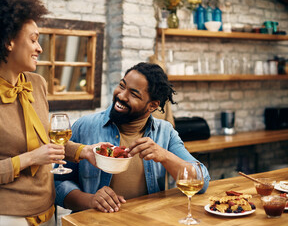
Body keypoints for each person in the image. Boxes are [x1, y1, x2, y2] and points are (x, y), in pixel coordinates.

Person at [0, 0, 100, 226]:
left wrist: (85, 152)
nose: (39, 48)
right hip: (8, 219)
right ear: (8, 42)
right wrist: (30, 158)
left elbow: (47, 144)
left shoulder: (37, 84)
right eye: (33, 40)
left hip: (48, 211)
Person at [54, 62, 210, 213]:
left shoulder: (165, 132)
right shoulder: (84, 126)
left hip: (145, 223)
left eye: (134, 94)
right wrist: (90, 200)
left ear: (152, 105)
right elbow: (58, 184)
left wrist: (165, 156)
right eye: (122, 86)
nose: (122, 95)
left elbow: (201, 183)